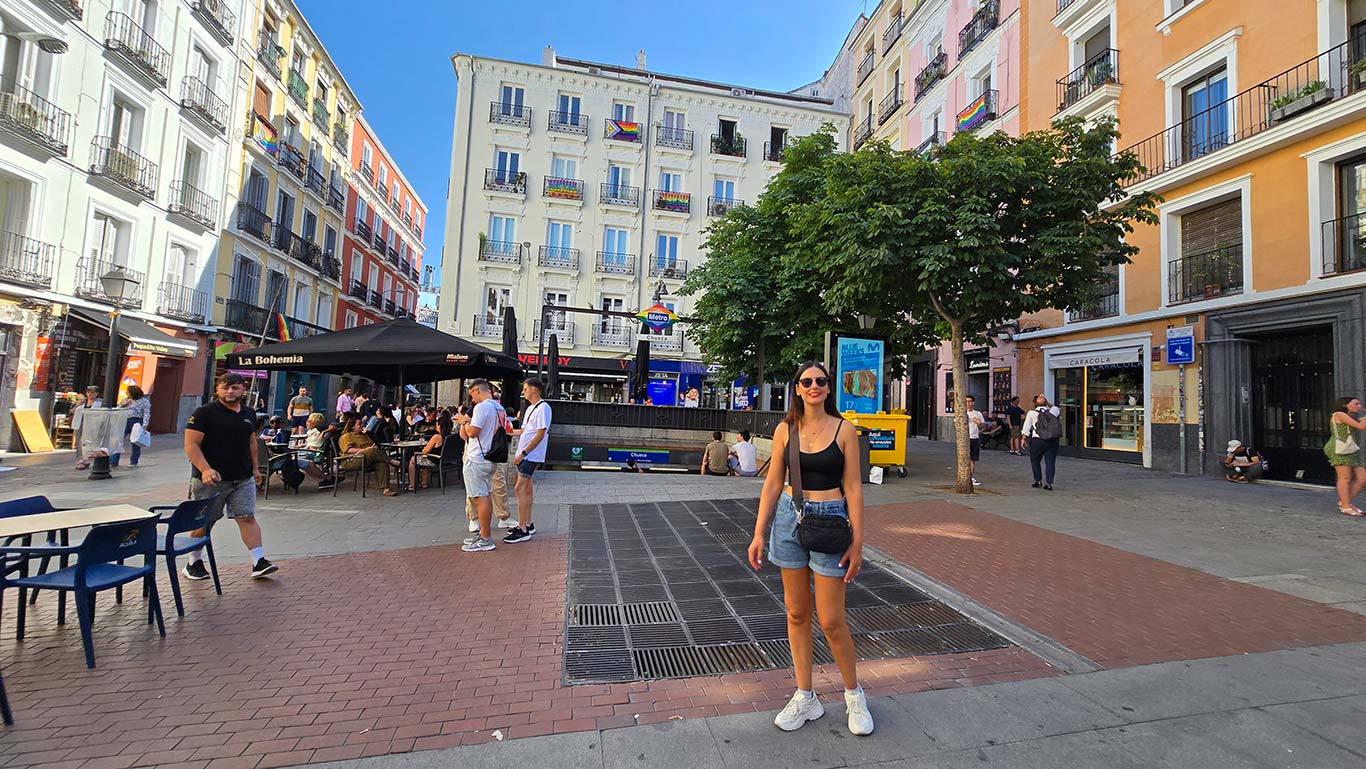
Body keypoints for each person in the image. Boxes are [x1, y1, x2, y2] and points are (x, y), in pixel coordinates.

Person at [747, 361, 872, 736]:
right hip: (790, 517)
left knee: (832, 620)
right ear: (797, 389)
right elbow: (773, 483)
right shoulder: (785, 430)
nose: (814, 386)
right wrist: (758, 532)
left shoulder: (845, 430)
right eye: (806, 381)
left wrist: (858, 542)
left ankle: (854, 694)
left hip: (831, 520)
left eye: (820, 381)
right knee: (797, 612)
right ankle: (806, 696)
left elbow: (854, 488)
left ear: (829, 388)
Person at [183, 372, 278, 580]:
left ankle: (258, 561)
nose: (230, 392)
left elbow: (251, 442)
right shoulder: (204, 413)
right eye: (225, 387)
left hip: (242, 477)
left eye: (235, 388)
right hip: (211, 480)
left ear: (243, 389)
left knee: (247, 517)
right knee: (206, 521)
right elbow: (191, 445)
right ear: (217, 389)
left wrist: (255, 469)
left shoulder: (249, 413)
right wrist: (205, 469)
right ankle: (193, 562)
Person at [457, 379, 508, 552]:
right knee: (485, 496)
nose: (471, 398)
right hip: (490, 457)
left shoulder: (482, 407)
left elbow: (472, 432)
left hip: (477, 458)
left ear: (477, 390)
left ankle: (485, 538)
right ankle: (484, 535)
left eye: (471, 394)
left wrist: (464, 421)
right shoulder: (499, 408)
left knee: (480, 498)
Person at [506, 377, 551, 544]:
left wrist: (523, 453)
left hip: (530, 455)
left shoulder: (543, 408)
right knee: (526, 488)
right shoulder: (531, 408)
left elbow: (540, 434)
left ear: (533, 389)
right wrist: (509, 431)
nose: (523, 392)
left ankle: (523, 528)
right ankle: (526, 524)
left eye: (525, 389)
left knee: (519, 488)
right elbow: (525, 431)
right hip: (527, 454)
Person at [1325, 397, 1366, 516]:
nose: (1359, 406)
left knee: (1363, 477)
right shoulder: (1339, 414)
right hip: (1339, 448)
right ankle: (1346, 506)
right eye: (1356, 404)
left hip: (1349, 448)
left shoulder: (1348, 416)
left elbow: (1360, 423)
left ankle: (1344, 502)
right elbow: (1361, 426)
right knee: (1345, 478)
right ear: (1344, 405)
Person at [339, 416, 400, 496]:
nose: (361, 425)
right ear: (352, 426)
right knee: (372, 451)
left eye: (361, 423)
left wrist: (373, 448)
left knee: (382, 463)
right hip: (351, 460)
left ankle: (386, 489)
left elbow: (372, 446)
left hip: (368, 457)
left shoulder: (364, 435)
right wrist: (365, 450)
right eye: (359, 424)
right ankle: (391, 461)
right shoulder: (346, 436)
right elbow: (348, 450)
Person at [1022, 394, 1063, 490]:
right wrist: (1046, 401)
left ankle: (1038, 480)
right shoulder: (1053, 411)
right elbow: (1055, 407)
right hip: (1052, 440)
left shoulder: (1031, 413)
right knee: (1050, 462)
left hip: (1038, 440)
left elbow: (1026, 427)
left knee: (1035, 460)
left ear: (1035, 403)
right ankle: (1049, 483)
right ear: (1046, 403)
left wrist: (1023, 438)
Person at [407, 415, 451, 492]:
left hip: (435, 460)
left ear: (439, 426)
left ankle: (412, 485)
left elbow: (425, 451)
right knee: (424, 458)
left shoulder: (437, 437)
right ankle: (424, 483)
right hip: (444, 460)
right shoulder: (449, 437)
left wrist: (423, 449)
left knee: (413, 459)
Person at [109, 385, 150, 468]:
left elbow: (146, 413)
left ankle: (133, 462)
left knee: (135, 442)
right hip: (125, 420)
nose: (126, 393)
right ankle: (114, 461)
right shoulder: (126, 400)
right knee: (118, 440)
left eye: (128, 392)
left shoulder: (144, 401)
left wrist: (145, 424)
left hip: (137, 421)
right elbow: (117, 410)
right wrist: (121, 405)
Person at [71, 385, 102, 456]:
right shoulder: (82, 402)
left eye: (92, 392)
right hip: (79, 425)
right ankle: (80, 457)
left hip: (91, 426)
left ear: (97, 393)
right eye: (88, 392)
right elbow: (72, 411)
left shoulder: (99, 404)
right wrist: (77, 405)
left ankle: (87, 457)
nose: (90, 394)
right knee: (79, 443)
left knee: (88, 443)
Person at [964, 395, 985, 487]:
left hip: (974, 438)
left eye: (969, 401)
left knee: (973, 459)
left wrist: (978, 423)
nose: (968, 403)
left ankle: (970, 477)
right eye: (966, 401)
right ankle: (965, 476)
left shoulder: (977, 413)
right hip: (965, 439)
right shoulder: (962, 413)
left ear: (973, 402)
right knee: (965, 459)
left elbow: (983, 426)